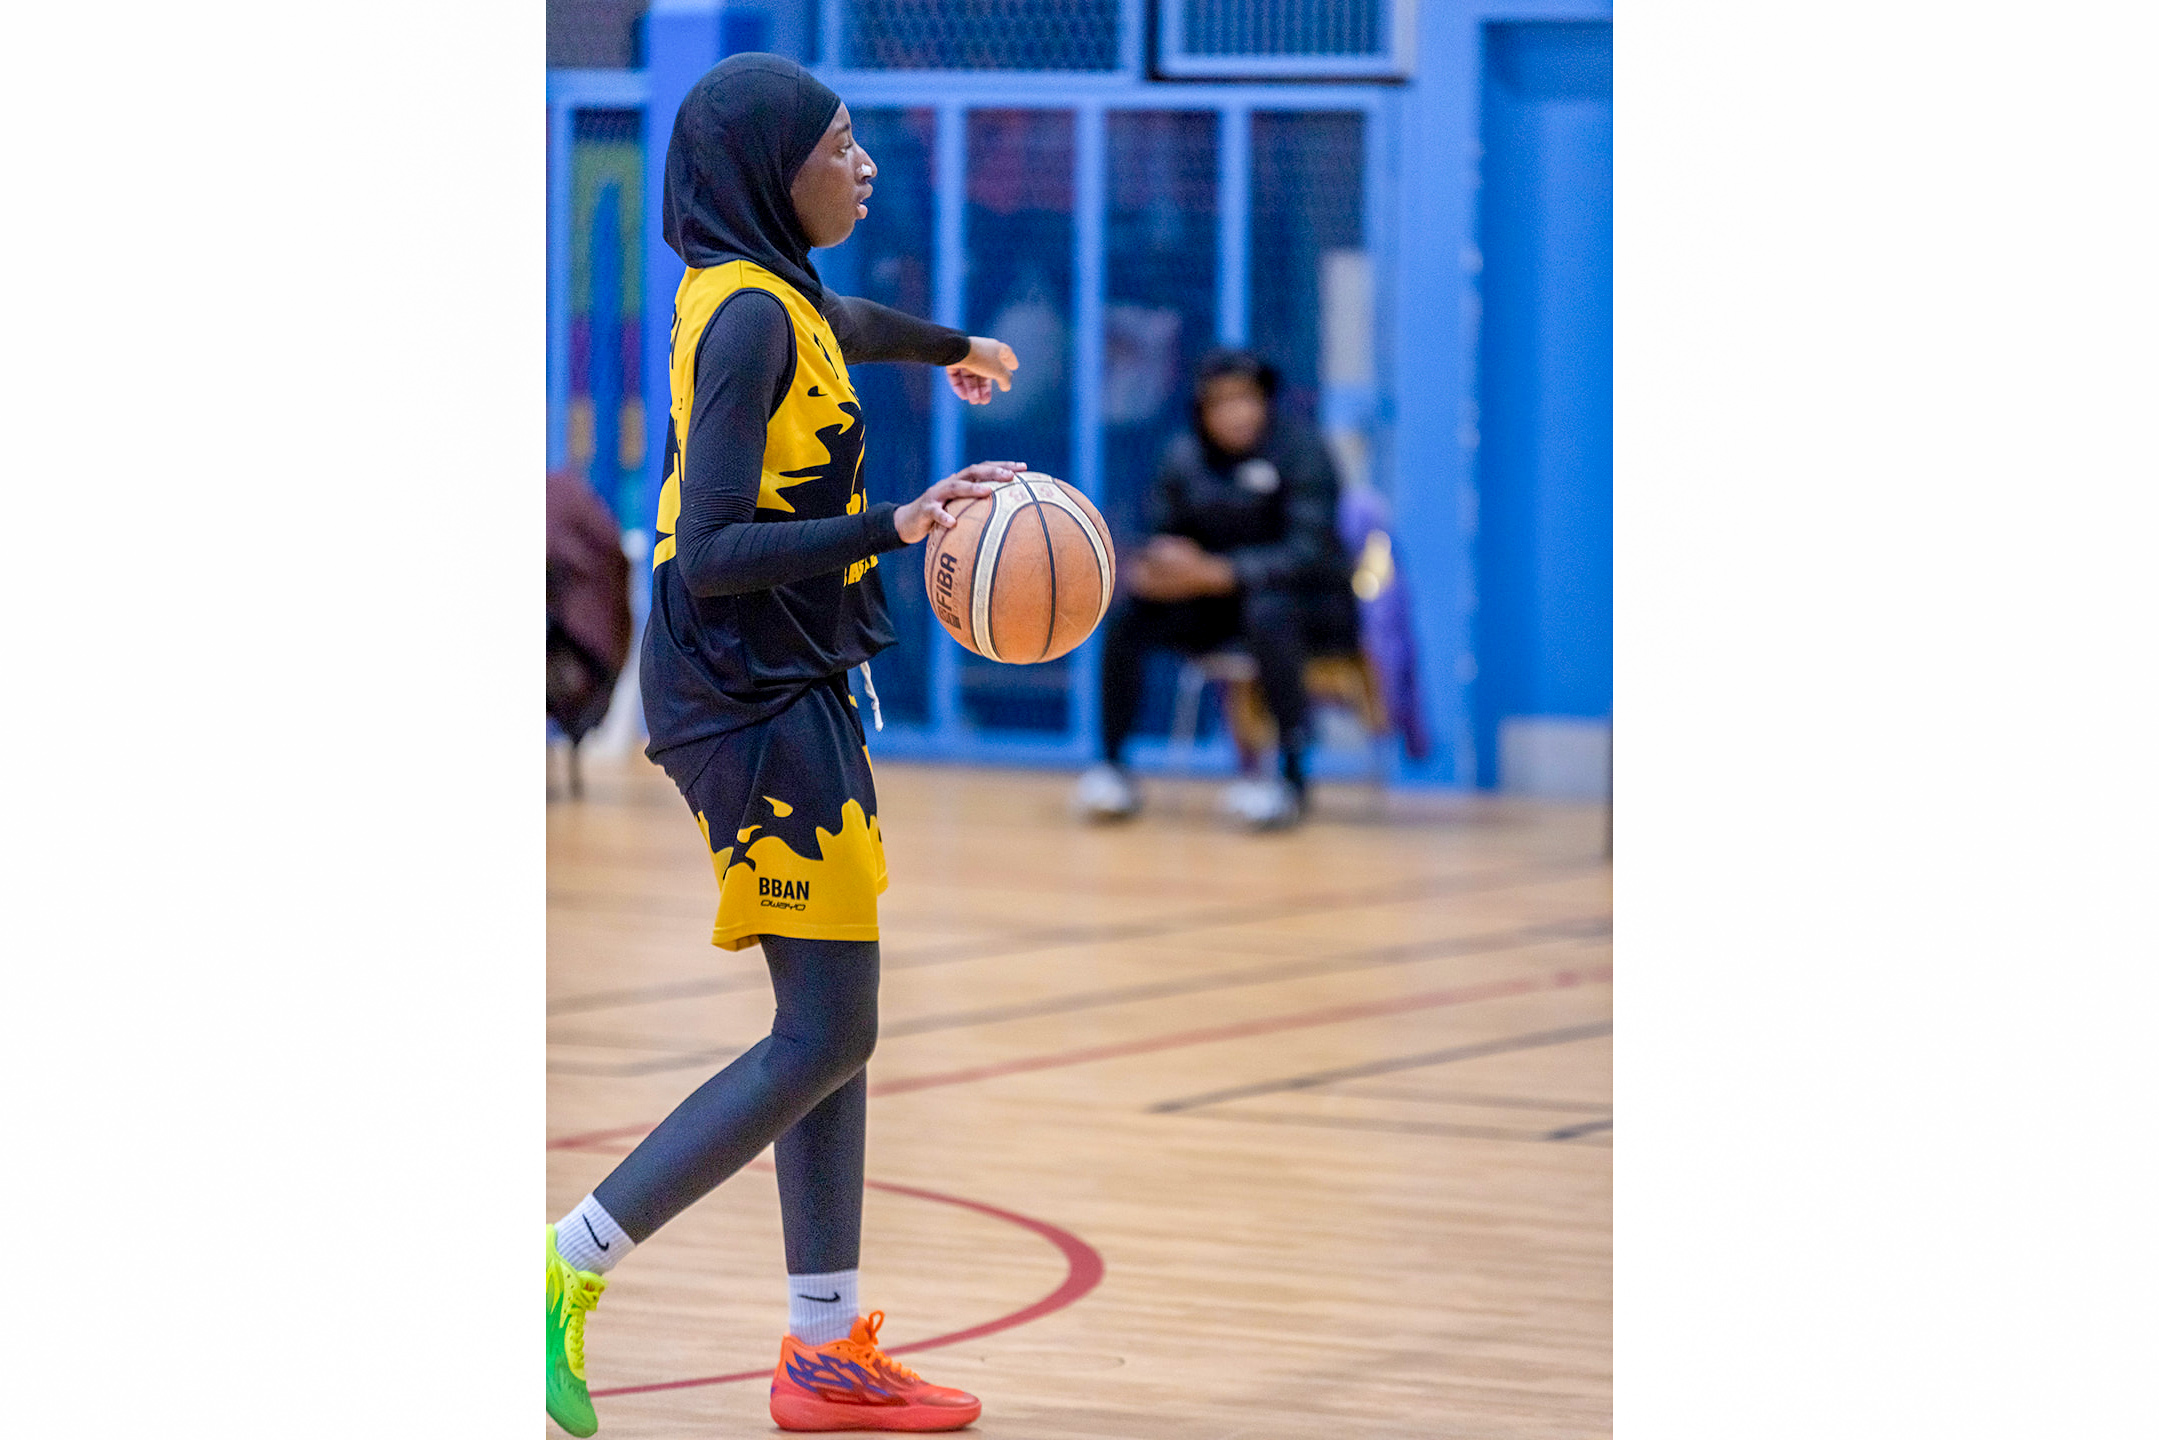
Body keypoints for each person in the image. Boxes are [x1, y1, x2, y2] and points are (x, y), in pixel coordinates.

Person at [544, 54, 1025, 1436]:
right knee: (826, 1026)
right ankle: (565, 1264)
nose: (861, 163)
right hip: (741, 696)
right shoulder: (743, 321)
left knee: (831, 1031)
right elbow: (710, 557)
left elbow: (846, 322)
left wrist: (949, 348)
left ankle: (822, 1354)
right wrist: (898, 523)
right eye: (839, 143)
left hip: (790, 681)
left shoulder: (777, 295)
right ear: (771, 172)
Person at [1073, 348, 1359, 830]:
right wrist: (1155, 570)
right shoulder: (1184, 457)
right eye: (1222, 402)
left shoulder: (1304, 452)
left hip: (1309, 606)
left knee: (1268, 614)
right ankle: (1112, 769)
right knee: (1127, 618)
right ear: (1202, 411)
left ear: (1265, 402)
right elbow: (1163, 536)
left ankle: (1288, 780)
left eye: (1246, 399)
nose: (1237, 413)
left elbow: (1310, 554)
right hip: (1213, 608)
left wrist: (1221, 572)